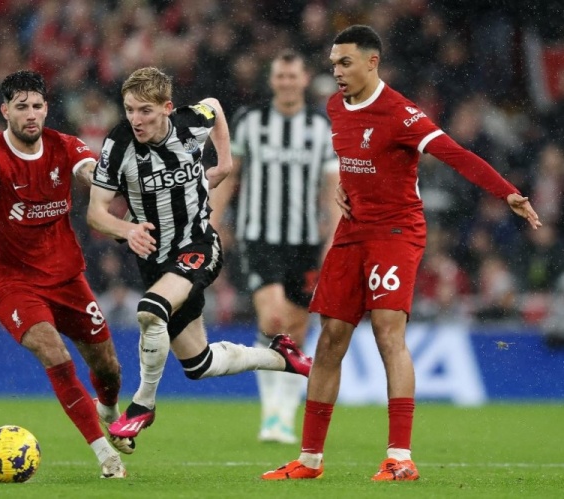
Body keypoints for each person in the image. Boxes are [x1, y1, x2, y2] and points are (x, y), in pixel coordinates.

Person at [262, 25, 541, 482]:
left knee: (388, 332)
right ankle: (309, 460)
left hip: (395, 232)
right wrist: (345, 189)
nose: (336, 71)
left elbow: (455, 153)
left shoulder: (401, 114)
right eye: (333, 63)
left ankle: (400, 458)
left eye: (345, 62)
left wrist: (506, 192)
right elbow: (352, 159)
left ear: (372, 62)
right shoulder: (334, 106)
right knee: (330, 338)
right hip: (352, 231)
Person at [86, 66, 313, 443]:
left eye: (145, 111)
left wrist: (225, 162)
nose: (136, 119)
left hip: (199, 245)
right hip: (156, 262)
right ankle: (279, 356)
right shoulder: (119, 144)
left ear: (167, 108)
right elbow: (96, 213)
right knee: (199, 363)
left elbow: (214, 107)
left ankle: (142, 405)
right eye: (129, 110)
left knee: (150, 310)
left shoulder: (189, 123)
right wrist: (127, 230)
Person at [0, 70, 129, 479]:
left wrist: (101, 180)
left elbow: (88, 170)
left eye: (37, 106)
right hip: (12, 283)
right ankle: (105, 456)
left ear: (46, 109)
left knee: (108, 367)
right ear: (6, 111)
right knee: (54, 352)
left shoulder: (64, 145)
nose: (30, 114)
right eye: (21, 107)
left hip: (66, 277)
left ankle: (109, 409)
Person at [211, 49, 340, 444]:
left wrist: (333, 242)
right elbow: (229, 177)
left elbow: (332, 190)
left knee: (297, 330)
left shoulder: (321, 127)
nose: (286, 82)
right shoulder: (250, 121)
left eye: (292, 76)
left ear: (304, 80)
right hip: (258, 237)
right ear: (272, 81)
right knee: (272, 320)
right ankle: (271, 414)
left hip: (305, 242)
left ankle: (284, 413)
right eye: (280, 76)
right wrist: (211, 225)